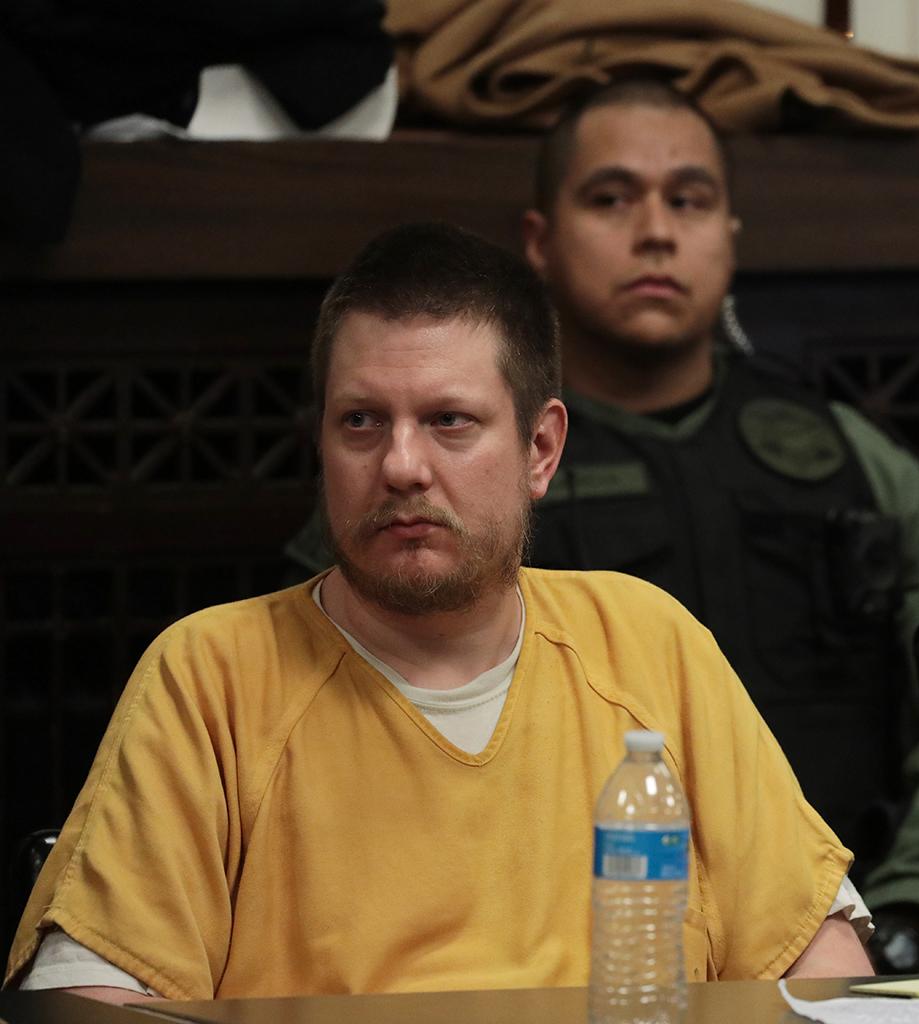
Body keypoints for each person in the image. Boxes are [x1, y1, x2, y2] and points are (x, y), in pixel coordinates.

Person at [5, 222, 873, 1002]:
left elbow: (819, 951)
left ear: (541, 448)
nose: (402, 466)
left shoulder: (649, 641)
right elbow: (88, 1000)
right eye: (361, 422)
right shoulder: (213, 675)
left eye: (450, 421)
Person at [285, 78, 919, 971]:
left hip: (839, 939)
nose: (656, 230)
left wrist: (908, 909)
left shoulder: (850, 456)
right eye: (612, 197)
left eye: (689, 200)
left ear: (729, 239)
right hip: (558, 957)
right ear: (541, 241)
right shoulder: (438, 476)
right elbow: (320, 717)